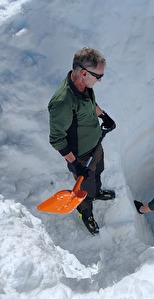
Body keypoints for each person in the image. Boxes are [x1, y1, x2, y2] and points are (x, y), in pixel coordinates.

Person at [48, 47, 116, 235]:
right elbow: (56, 139)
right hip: (80, 156)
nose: (100, 80)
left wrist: (103, 115)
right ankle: (85, 212)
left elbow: (89, 104)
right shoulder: (62, 102)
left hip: (95, 145)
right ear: (84, 72)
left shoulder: (84, 85)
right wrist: (75, 164)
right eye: (98, 76)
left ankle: (96, 191)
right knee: (84, 190)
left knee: (98, 172)